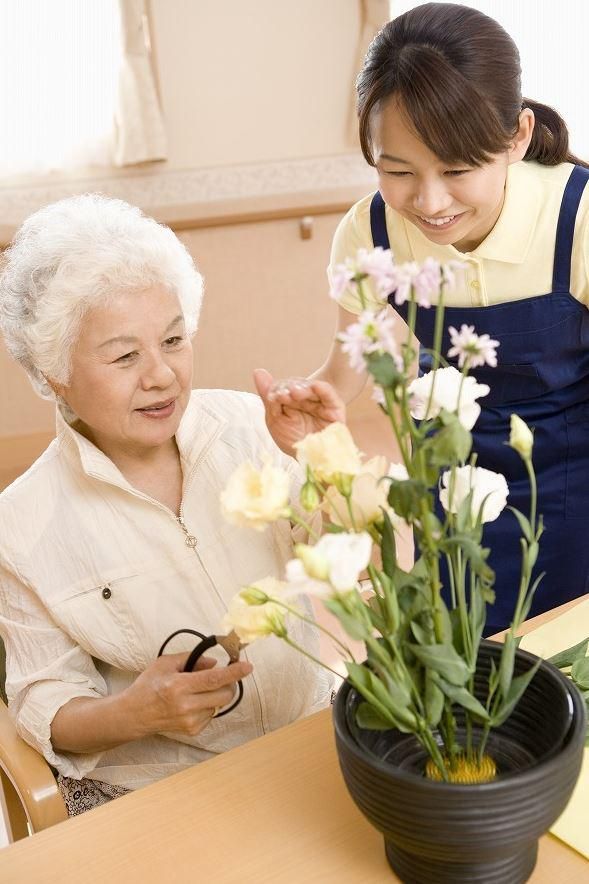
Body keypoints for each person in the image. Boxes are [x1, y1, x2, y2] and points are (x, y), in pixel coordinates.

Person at [255, 2, 589, 634]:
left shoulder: (577, 217)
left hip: (574, 480)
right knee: (468, 649)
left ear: (516, 137)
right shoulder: (370, 230)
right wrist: (318, 403)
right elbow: (357, 347)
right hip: (450, 477)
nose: (429, 203)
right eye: (397, 171)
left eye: (458, 170)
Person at [0, 194, 334, 816]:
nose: (162, 375)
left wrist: (325, 460)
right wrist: (134, 712)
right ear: (52, 371)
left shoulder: (247, 424)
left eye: (174, 340)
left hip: (308, 733)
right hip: (158, 790)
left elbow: (353, 555)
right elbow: (46, 702)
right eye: (124, 356)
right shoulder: (19, 527)